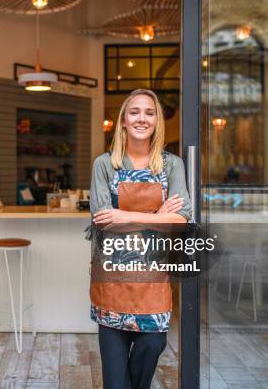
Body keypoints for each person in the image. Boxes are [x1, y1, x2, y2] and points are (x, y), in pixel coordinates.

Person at [89, 88, 192, 389]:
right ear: (122, 120)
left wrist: (126, 216)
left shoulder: (171, 165)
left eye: (149, 113)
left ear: (157, 121)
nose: (141, 118)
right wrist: (159, 214)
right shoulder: (105, 165)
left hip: (153, 276)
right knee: (114, 379)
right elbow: (103, 221)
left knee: (153, 344)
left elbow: (182, 220)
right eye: (134, 112)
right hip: (112, 278)